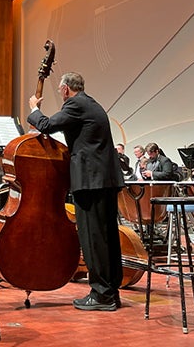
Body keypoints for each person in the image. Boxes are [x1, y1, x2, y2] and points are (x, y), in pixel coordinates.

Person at [27, 72, 124, 311]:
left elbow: (47, 125)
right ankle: (110, 291)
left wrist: (33, 108)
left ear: (65, 89)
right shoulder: (92, 104)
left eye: (61, 92)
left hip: (91, 181)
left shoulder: (75, 104)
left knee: (93, 238)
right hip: (105, 180)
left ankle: (101, 294)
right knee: (107, 236)